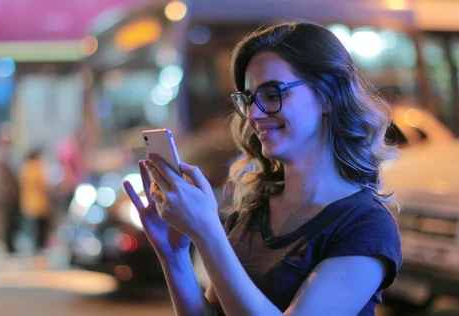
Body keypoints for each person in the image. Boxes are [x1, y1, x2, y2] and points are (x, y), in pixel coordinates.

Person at [124, 21, 402, 316]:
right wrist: (174, 255)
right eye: (248, 98)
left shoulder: (365, 226)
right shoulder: (253, 211)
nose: (254, 114)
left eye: (272, 94)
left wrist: (208, 233)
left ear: (328, 96)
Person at [19, 147, 51, 253]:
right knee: (37, 230)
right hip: (37, 203)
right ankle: (37, 250)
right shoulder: (36, 168)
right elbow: (44, 183)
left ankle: (34, 249)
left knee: (31, 229)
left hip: (28, 203)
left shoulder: (25, 167)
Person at [0, 122, 21, 253]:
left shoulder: (9, 154)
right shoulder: (3, 156)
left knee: (14, 220)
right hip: (9, 194)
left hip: (11, 193)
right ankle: (10, 246)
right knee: (10, 221)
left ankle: (12, 244)